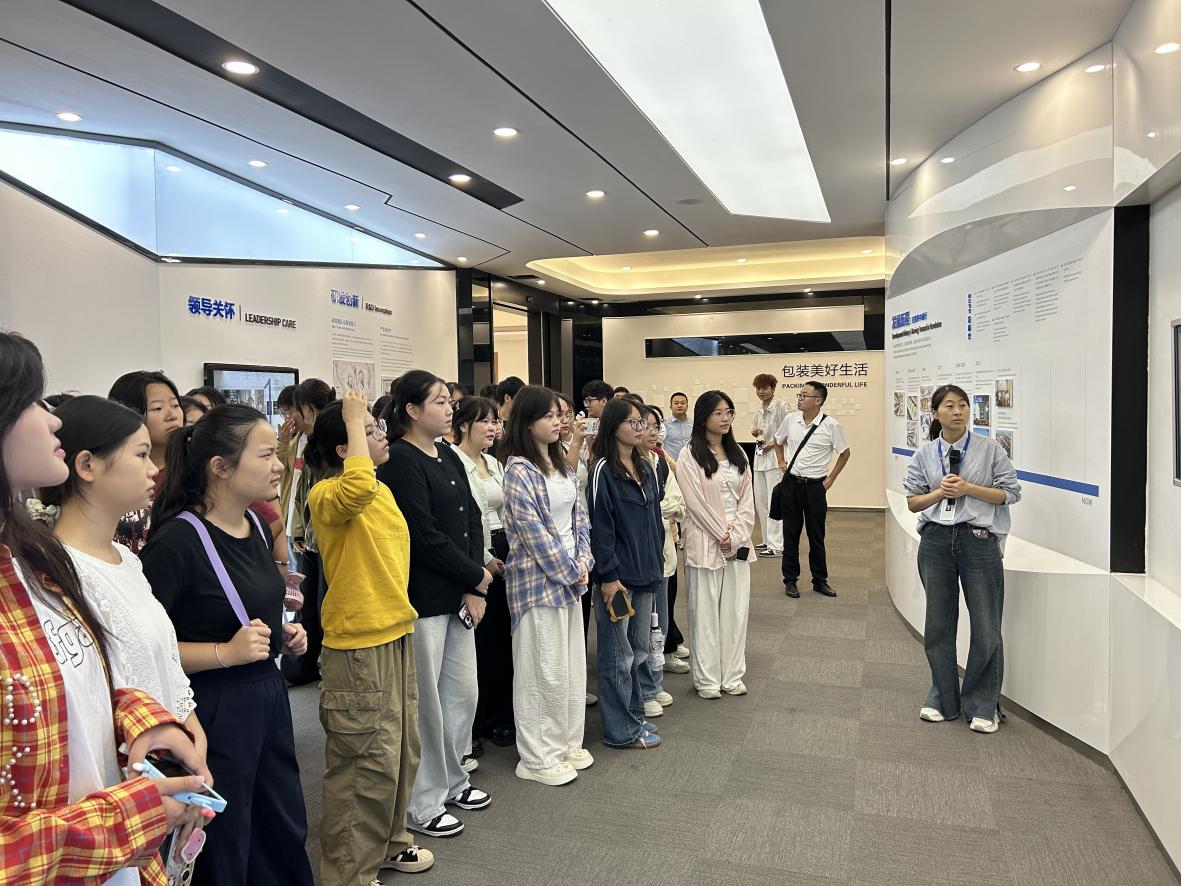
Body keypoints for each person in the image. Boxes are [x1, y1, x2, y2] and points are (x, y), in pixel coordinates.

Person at [0, 332, 212, 885]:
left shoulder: (31, 560)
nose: (52, 419)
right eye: (30, 402)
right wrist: (124, 819)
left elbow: (71, 686)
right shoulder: (56, 561)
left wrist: (145, 721)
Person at [140, 405, 314, 886]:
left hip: (267, 695)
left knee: (280, 822)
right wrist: (224, 653)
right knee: (225, 836)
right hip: (213, 709)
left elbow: (248, 608)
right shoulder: (177, 542)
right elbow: (145, 653)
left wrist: (282, 635)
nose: (278, 465)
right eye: (266, 455)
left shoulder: (255, 525)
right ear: (220, 467)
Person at [304, 392, 434, 883]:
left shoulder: (379, 488)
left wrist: (358, 425)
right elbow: (354, 487)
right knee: (363, 763)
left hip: (394, 630)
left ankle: (390, 842)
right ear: (346, 448)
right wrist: (353, 420)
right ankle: (348, 874)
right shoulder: (327, 494)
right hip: (357, 644)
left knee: (400, 751)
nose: (383, 437)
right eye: (371, 431)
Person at [41, 395, 205, 751]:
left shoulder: (126, 559)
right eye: (141, 455)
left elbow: (168, 673)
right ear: (87, 465)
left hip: (170, 755)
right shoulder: (60, 575)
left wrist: (194, 740)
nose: (154, 469)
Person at [376, 371, 492, 839]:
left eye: (449, 401)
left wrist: (474, 584)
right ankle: (423, 803)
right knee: (427, 703)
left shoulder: (445, 452)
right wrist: (474, 575)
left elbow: (472, 518)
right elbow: (423, 537)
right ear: (411, 410)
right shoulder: (401, 460)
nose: (449, 409)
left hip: (460, 592)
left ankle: (453, 779)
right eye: (440, 401)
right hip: (424, 598)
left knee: (462, 695)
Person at [904, 384, 1021, 734]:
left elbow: (1010, 493)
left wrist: (969, 489)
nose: (957, 411)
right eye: (949, 406)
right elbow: (913, 502)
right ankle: (943, 696)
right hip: (936, 541)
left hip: (978, 540)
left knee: (986, 626)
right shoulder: (925, 454)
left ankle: (983, 703)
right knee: (938, 625)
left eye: (963, 405)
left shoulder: (990, 449)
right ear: (935, 413)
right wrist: (940, 492)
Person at [501, 386, 593, 784]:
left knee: (569, 667)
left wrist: (584, 562)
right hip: (538, 583)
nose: (559, 422)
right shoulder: (519, 470)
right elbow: (533, 534)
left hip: (571, 579)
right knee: (542, 670)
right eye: (549, 416)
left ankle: (567, 742)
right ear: (528, 421)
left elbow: (579, 518)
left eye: (560, 415)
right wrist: (570, 569)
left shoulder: (561, 465)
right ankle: (537, 757)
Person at [588, 399, 665, 749]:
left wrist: (656, 566)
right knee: (618, 657)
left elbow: (654, 522)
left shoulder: (645, 466)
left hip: (646, 573)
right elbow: (600, 527)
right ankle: (620, 730)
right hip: (617, 579)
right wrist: (607, 576)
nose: (640, 428)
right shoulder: (603, 470)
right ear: (613, 426)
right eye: (633, 422)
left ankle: (634, 718)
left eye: (642, 423)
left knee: (638, 651)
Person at [676, 391, 756, 700]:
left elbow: (747, 501)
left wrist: (735, 536)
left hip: (737, 543)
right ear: (703, 417)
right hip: (705, 542)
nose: (725, 418)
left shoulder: (738, 453)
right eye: (718, 413)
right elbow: (694, 503)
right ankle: (708, 679)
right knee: (705, 614)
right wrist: (722, 534)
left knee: (735, 613)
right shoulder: (689, 455)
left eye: (729, 412)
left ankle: (732, 675)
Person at [451, 397, 513, 749]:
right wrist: (485, 558)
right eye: (484, 422)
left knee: (503, 637)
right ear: (463, 425)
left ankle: (501, 717)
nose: (493, 428)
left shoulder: (494, 461)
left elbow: (506, 512)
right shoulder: (453, 461)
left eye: (495, 422)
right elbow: (465, 520)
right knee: (479, 643)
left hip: (504, 549)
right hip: (475, 553)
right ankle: (474, 725)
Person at [770, 381, 851, 598]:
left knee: (816, 535)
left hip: (815, 487)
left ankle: (820, 581)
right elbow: (777, 440)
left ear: (818, 401)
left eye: (804, 395)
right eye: (799, 394)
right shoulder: (790, 420)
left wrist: (831, 478)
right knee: (790, 534)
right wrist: (780, 460)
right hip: (791, 485)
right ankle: (790, 580)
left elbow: (844, 453)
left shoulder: (831, 425)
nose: (799, 398)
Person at [282, 378, 335, 686]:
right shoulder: (302, 439)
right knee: (310, 606)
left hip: (326, 540)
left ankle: (323, 666)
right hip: (309, 538)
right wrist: (300, 531)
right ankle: (306, 665)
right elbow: (300, 489)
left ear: (307, 408)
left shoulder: (329, 439)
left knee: (324, 606)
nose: (290, 417)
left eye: (293, 410)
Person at [635, 404, 686, 710]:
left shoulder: (660, 461)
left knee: (660, 624)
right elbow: (642, 507)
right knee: (642, 628)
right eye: (645, 425)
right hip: (641, 557)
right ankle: (644, 689)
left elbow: (678, 504)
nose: (652, 431)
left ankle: (654, 682)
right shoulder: (627, 464)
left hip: (664, 553)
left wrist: (657, 508)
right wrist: (659, 508)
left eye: (656, 426)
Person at [108, 370, 184, 552]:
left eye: (175, 405)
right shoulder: (112, 475)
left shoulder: (194, 469)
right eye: (157, 408)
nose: (172, 415)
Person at [750, 373, 789, 557]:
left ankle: (777, 545)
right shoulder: (759, 408)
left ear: (773, 389)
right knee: (761, 503)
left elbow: (789, 432)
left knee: (775, 503)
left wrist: (772, 444)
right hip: (760, 459)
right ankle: (767, 540)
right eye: (758, 388)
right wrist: (755, 432)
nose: (761, 391)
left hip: (775, 460)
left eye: (764, 388)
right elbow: (755, 430)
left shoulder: (782, 406)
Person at [663, 391, 692, 462]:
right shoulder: (664, 424)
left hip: (690, 463)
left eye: (682, 403)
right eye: (676, 403)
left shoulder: (694, 423)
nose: (679, 405)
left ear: (687, 406)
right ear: (671, 407)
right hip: (671, 464)